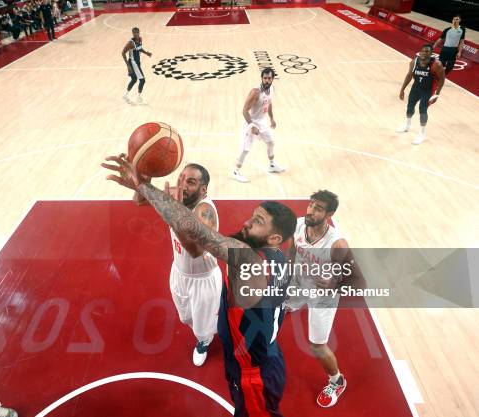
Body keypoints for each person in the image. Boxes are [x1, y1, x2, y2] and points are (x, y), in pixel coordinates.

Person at [102, 154, 298, 416]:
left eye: (258, 222)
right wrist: (151, 195)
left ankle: (205, 342)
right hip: (264, 355)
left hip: (253, 372)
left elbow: (198, 237)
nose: (247, 222)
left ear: (274, 238)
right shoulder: (278, 259)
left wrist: (143, 185)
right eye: (253, 216)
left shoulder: (248, 259)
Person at [133, 164, 222, 366]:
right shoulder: (175, 194)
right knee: (185, 318)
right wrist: (141, 182)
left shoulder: (205, 211)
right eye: (181, 178)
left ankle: (205, 340)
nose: (182, 184)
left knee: (200, 330)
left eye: (190, 182)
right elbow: (138, 201)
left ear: (203, 190)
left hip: (203, 280)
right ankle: (210, 322)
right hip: (179, 273)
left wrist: (173, 211)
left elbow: (195, 250)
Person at [286, 190, 365, 408]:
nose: (311, 211)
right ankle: (292, 303)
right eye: (311, 205)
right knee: (283, 299)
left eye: (318, 208)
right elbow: (293, 249)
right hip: (300, 280)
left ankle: (337, 381)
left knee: (317, 346)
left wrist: (335, 285)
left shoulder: (336, 245)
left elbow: (359, 282)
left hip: (323, 295)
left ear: (329, 214)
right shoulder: (300, 224)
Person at [232, 67, 284, 183]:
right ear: (262, 78)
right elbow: (244, 110)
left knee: (271, 142)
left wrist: (271, 118)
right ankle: (235, 172)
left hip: (262, 122)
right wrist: (251, 126)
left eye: (269, 78)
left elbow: (269, 103)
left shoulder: (272, 89)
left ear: (272, 79)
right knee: (245, 149)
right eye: (264, 78)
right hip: (250, 122)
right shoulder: (255, 92)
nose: (266, 80)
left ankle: (271, 165)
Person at [396, 44, 445, 145]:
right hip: (416, 88)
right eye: (423, 51)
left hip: (428, 90)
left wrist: (437, 94)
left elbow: (442, 79)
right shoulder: (414, 62)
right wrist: (402, 89)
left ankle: (422, 133)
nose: (424, 53)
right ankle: (408, 125)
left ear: (431, 54)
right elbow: (409, 75)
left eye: (427, 52)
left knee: (422, 110)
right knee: (409, 107)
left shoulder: (436, 64)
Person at [122, 27, 152, 105]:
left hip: (137, 62)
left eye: (136, 32)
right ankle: (138, 97)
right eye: (134, 33)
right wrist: (128, 66)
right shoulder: (130, 43)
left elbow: (140, 48)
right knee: (142, 80)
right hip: (133, 63)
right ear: (132, 33)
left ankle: (125, 95)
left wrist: (146, 53)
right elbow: (123, 53)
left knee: (134, 79)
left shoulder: (140, 39)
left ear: (139, 32)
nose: (135, 34)